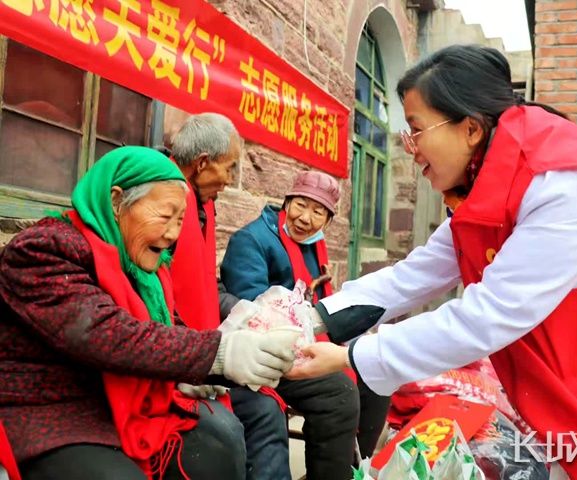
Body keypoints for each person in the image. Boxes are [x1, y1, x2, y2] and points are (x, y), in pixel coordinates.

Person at [286, 45, 577, 479]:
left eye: (416, 131)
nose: (411, 149)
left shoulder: (563, 184)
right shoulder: (488, 193)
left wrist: (350, 357)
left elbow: (486, 317)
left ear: (470, 129)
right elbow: (414, 275)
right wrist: (310, 318)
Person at [0, 146, 295, 479]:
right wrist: (220, 353)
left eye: (180, 221)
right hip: (54, 411)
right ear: (115, 202)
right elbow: (107, 333)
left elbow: (171, 326)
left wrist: (232, 355)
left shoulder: (143, 268)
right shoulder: (43, 249)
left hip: (127, 401)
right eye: (165, 216)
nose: (172, 234)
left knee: (218, 447)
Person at [221, 171, 383, 479]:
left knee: (374, 372)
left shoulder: (311, 246)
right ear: (286, 203)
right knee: (340, 391)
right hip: (266, 348)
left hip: (306, 340)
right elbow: (250, 313)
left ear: (328, 221)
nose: (305, 218)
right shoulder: (252, 241)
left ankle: (346, 463)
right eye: (300, 205)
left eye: (318, 211)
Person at [161, 112, 293, 480]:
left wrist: (244, 311)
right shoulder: (165, 201)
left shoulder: (204, 203)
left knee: (267, 411)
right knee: (228, 433)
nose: (229, 181)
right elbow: (154, 297)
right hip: (171, 359)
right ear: (202, 164)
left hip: (206, 351)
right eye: (229, 168)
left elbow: (205, 283)